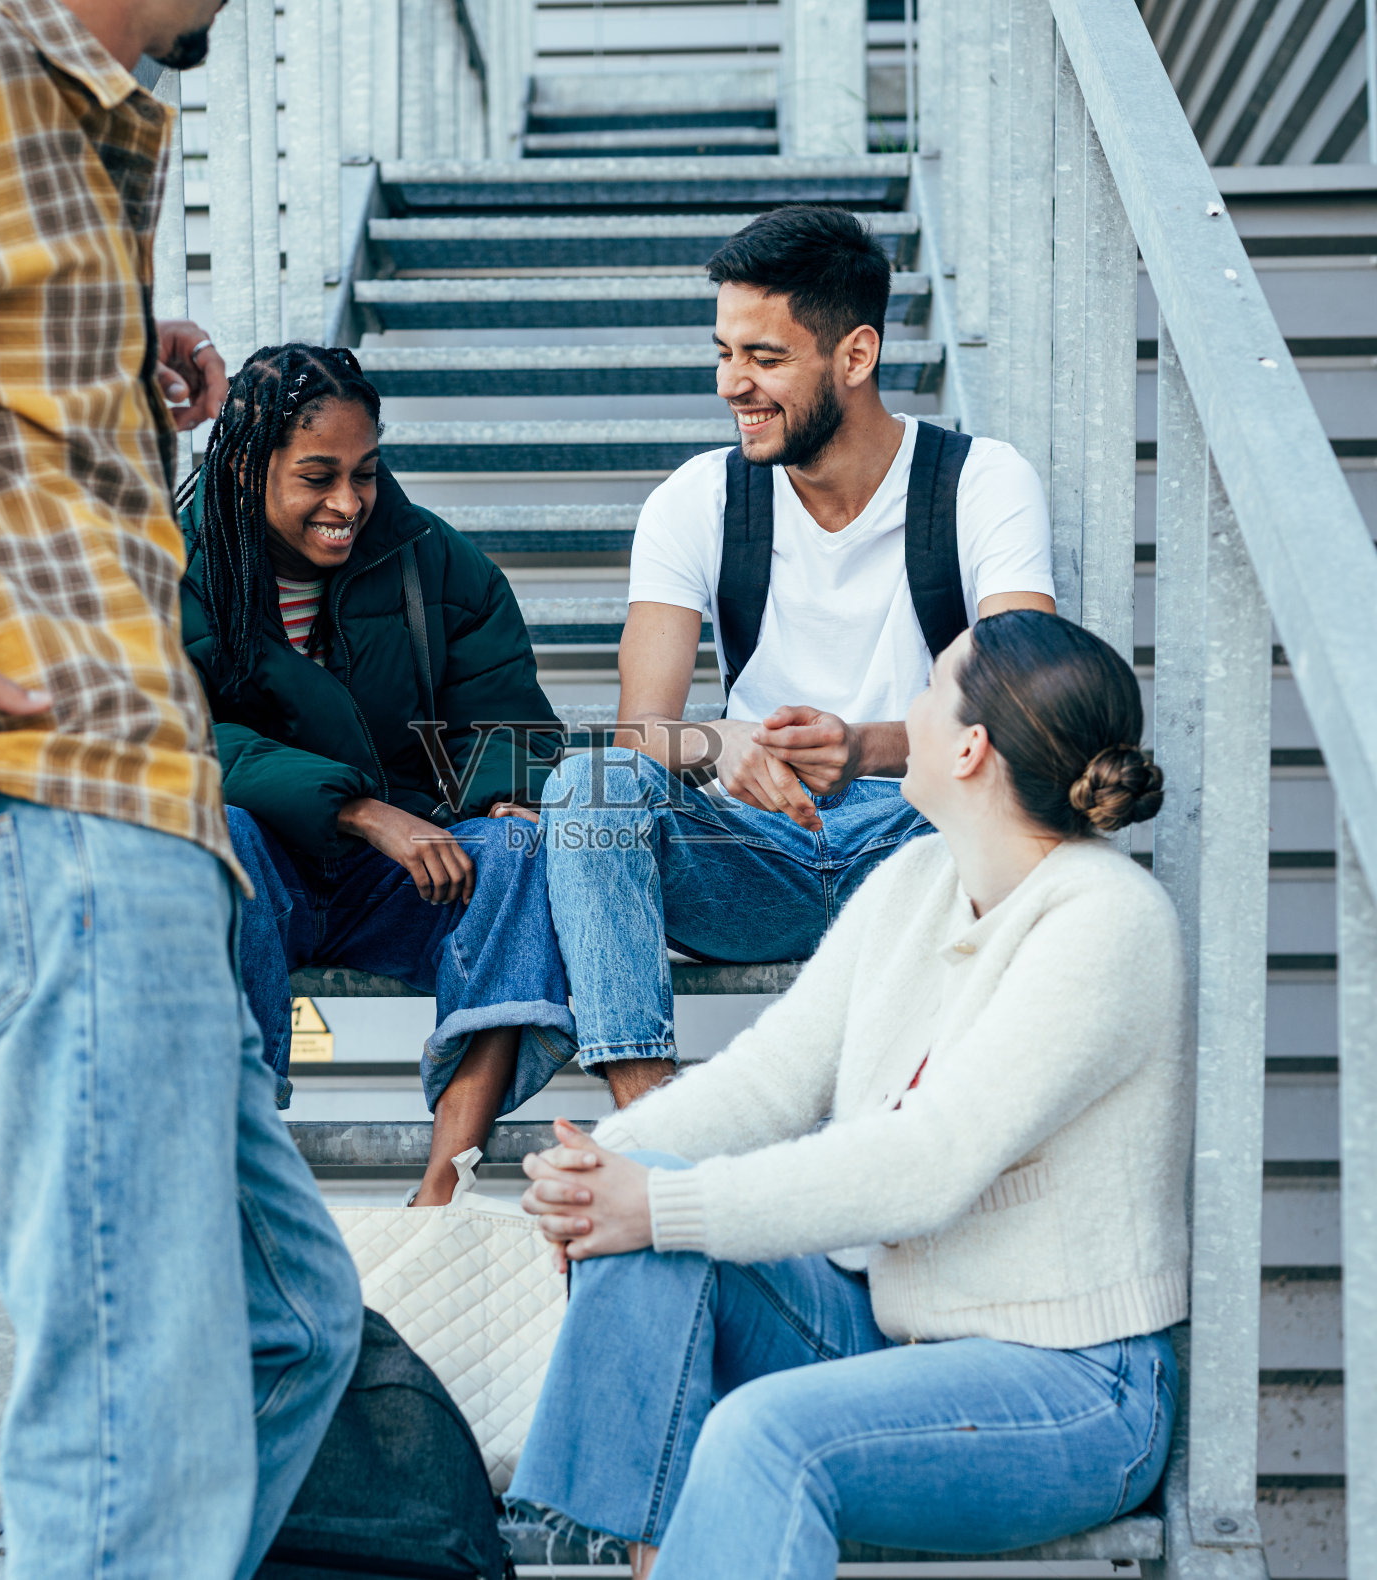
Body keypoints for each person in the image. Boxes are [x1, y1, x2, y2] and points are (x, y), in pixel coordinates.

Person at [0, 3, 364, 1576]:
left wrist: (113, 361)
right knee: (134, 1425)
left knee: (290, 1328)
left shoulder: (73, 117)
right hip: (53, 805)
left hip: (138, 814)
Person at [509, 610, 1188, 1579]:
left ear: (969, 748)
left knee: (762, 1431)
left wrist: (658, 1202)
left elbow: (927, 1161)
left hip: (1072, 1386)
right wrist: (598, 1171)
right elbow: (770, 1077)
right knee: (641, 1208)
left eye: (930, 687)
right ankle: (651, 1557)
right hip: (888, 1330)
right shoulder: (917, 878)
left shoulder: (1110, 920)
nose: (907, 708)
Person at [539, 205, 1057, 1109]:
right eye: (723, 353)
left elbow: (1026, 705)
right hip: (754, 854)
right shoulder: (695, 499)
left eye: (764, 358)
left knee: (1028, 803)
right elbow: (640, 733)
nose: (731, 384)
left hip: (918, 845)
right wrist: (722, 744)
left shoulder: (983, 482)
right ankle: (653, 1127)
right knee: (586, 787)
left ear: (855, 356)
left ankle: (939, 1121)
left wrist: (865, 747)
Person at [178, 343, 575, 1207]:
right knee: (219, 833)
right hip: (263, 874)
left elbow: (507, 719)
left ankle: (445, 1188)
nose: (349, 503)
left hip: (399, 880)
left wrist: (501, 793)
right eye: (317, 477)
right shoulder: (167, 566)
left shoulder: (431, 559)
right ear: (245, 469)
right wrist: (359, 811)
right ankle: (244, 1174)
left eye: (364, 472)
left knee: (520, 849)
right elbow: (172, 739)